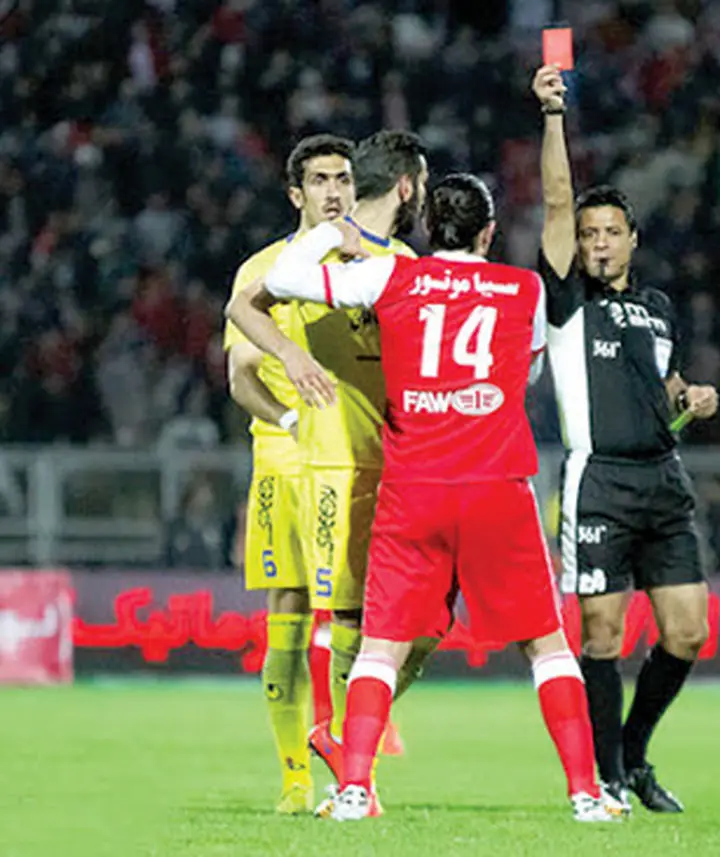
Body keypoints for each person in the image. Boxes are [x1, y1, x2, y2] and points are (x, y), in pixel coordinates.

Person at [226, 174, 621, 823]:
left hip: (413, 487)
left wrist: (336, 230)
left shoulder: (391, 277)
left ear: (427, 229)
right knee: (547, 644)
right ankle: (585, 793)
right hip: (497, 485)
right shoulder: (522, 288)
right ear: (490, 232)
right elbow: (526, 371)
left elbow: (289, 276)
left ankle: (353, 789)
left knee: (382, 643)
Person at [533, 65, 719, 814]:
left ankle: (634, 752)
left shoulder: (659, 307)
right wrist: (553, 116)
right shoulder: (566, 299)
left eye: (612, 232)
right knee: (603, 632)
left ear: (633, 240)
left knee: (687, 631)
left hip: (663, 479)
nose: (600, 242)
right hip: (599, 480)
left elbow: (663, 389)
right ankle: (605, 774)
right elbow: (552, 197)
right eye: (589, 233)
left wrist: (691, 397)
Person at [295, 130, 437, 798]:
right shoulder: (310, 248)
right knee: (345, 611)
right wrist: (291, 357)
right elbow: (243, 307)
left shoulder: (404, 258)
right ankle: (334, 736)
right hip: (334, 455)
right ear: (407, 184)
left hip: (405, 462)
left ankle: (355, 731)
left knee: (422, 622)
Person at [223, 133, 355, 815]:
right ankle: (296, 776)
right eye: (321, 180)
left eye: (344, 178)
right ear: (296, 193)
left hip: (359, 459)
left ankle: (352, 770)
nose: (335, 191)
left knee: (362, 620)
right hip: (287, 458)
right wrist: (286, 421)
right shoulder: (264, 270)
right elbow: (239, 377)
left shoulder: (377, 264)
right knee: (291, 611)